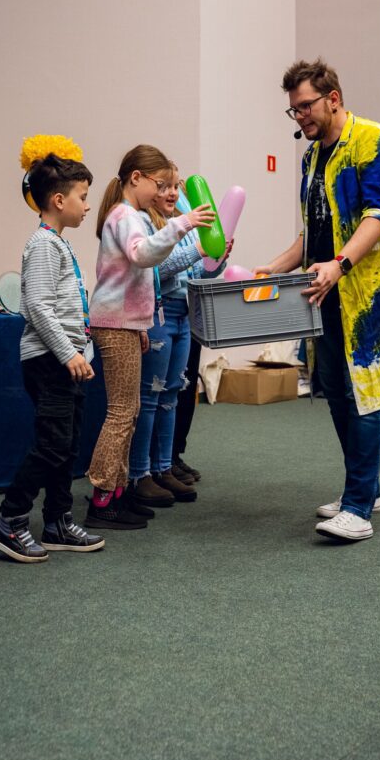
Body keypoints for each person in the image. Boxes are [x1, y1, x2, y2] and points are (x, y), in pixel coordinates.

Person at [258, 58, 380, 542]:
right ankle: (365, 488)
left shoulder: (374, 140)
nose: (300, 116)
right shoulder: (311, 159)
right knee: (335, 388)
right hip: (323, 290)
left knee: (363, 391)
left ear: (333, 99)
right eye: (293, 110)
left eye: (306, 106)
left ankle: (358, 508)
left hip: (368, 290)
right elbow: (312, 234)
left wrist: (340, 264)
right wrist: (272, 268)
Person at [84, 145, 214, 530]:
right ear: (135, 178)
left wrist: (142, 324)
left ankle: (118, 492)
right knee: (121, 413)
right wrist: (182, 225)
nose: (162, 192)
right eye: (158, 184)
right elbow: (143, 256)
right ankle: (102, 499)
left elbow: (146, 272)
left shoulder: (133, 216)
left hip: (128, 323)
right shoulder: (124, 215)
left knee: (131, 410)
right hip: (115, 323)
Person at [0, 153, 104, 563]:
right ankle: (9, 520)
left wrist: (79, 350)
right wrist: (68, 352)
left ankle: (57, 521)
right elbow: (37, 306)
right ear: (58, 200)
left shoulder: (58, 243)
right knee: (52, 444)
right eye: (82, 197)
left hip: (68, 358)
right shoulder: (42, 245)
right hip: (50, 360)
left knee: (66, 445)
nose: (87, 205)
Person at [127, 165, 231, 510]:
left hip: (183, 313)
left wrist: (216, 258)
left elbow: (194, 272)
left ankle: (164, 466)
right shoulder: (148, 225)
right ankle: (140, 472)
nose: (173, 193)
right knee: (150, 396)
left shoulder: (181, 227)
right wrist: (198, 249)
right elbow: (157, 268)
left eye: (176, 187)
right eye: (165, 186)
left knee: (172, 393)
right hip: (159, 313)